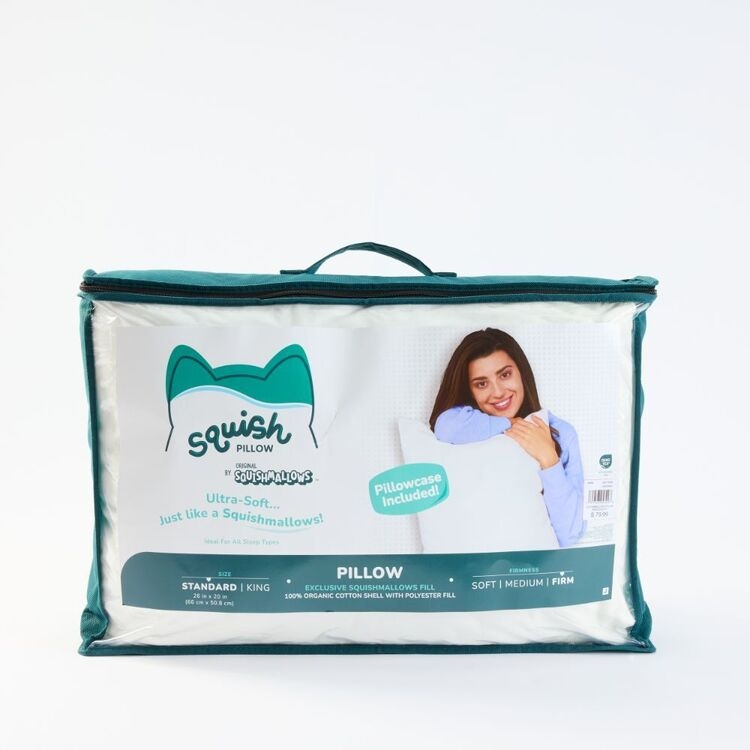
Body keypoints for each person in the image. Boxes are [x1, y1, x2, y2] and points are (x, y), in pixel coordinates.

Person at [429, 328, 585, 547]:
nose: (498, 392)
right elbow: (444, 427)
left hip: (533, 560)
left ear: (522, 372)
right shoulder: (467, 424)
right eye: (482, 384)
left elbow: (569, 534)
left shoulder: (561, 433)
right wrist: (513, 423)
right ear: (470, 390)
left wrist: (549, 458)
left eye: (504, 375)